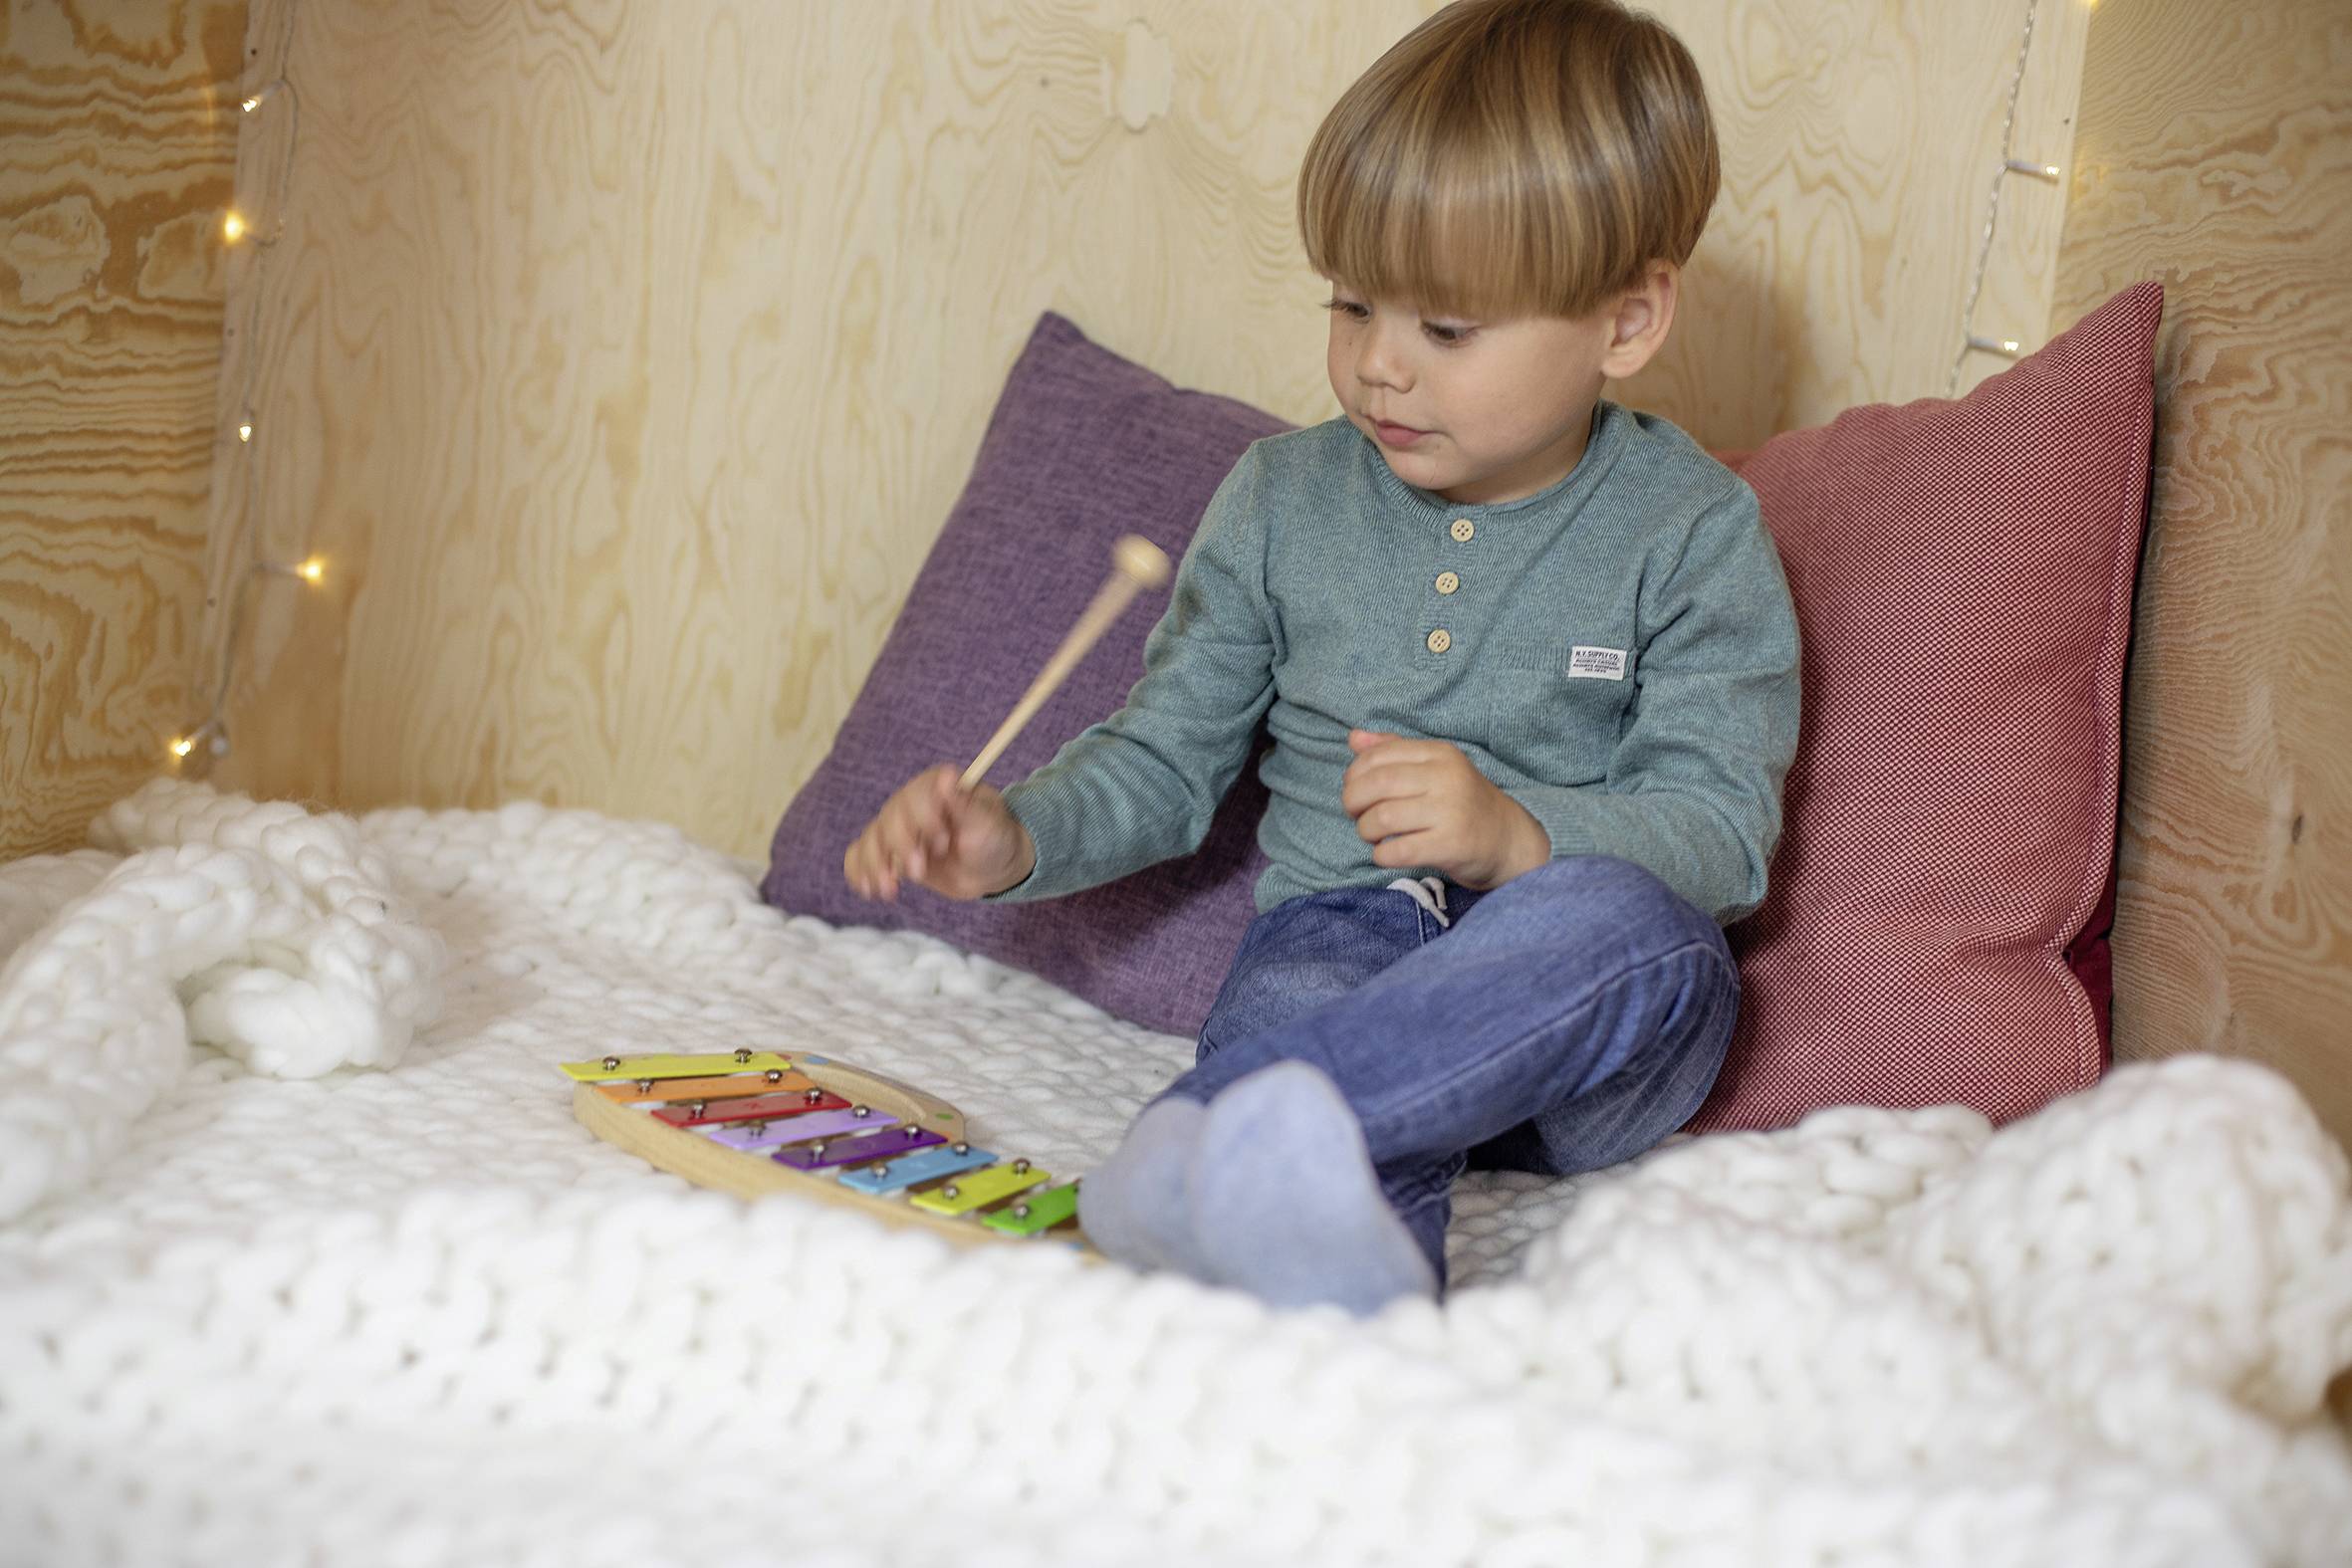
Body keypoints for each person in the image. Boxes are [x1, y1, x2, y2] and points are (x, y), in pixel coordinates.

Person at [843, 0, 1799, 1314]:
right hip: (1341, 946)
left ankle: (1194, 1145)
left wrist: (1516, 835)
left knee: (1634, 927)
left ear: (1625, 324)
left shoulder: (1690, 529)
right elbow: (1162, 760)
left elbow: (1718, 834)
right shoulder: (1280, 499)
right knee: (1304, 1021)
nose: (1377, 369)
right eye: (1351, 305)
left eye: (1446, 331)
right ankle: (1342, 1279)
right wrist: (1011, 837)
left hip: (1580, 1012)